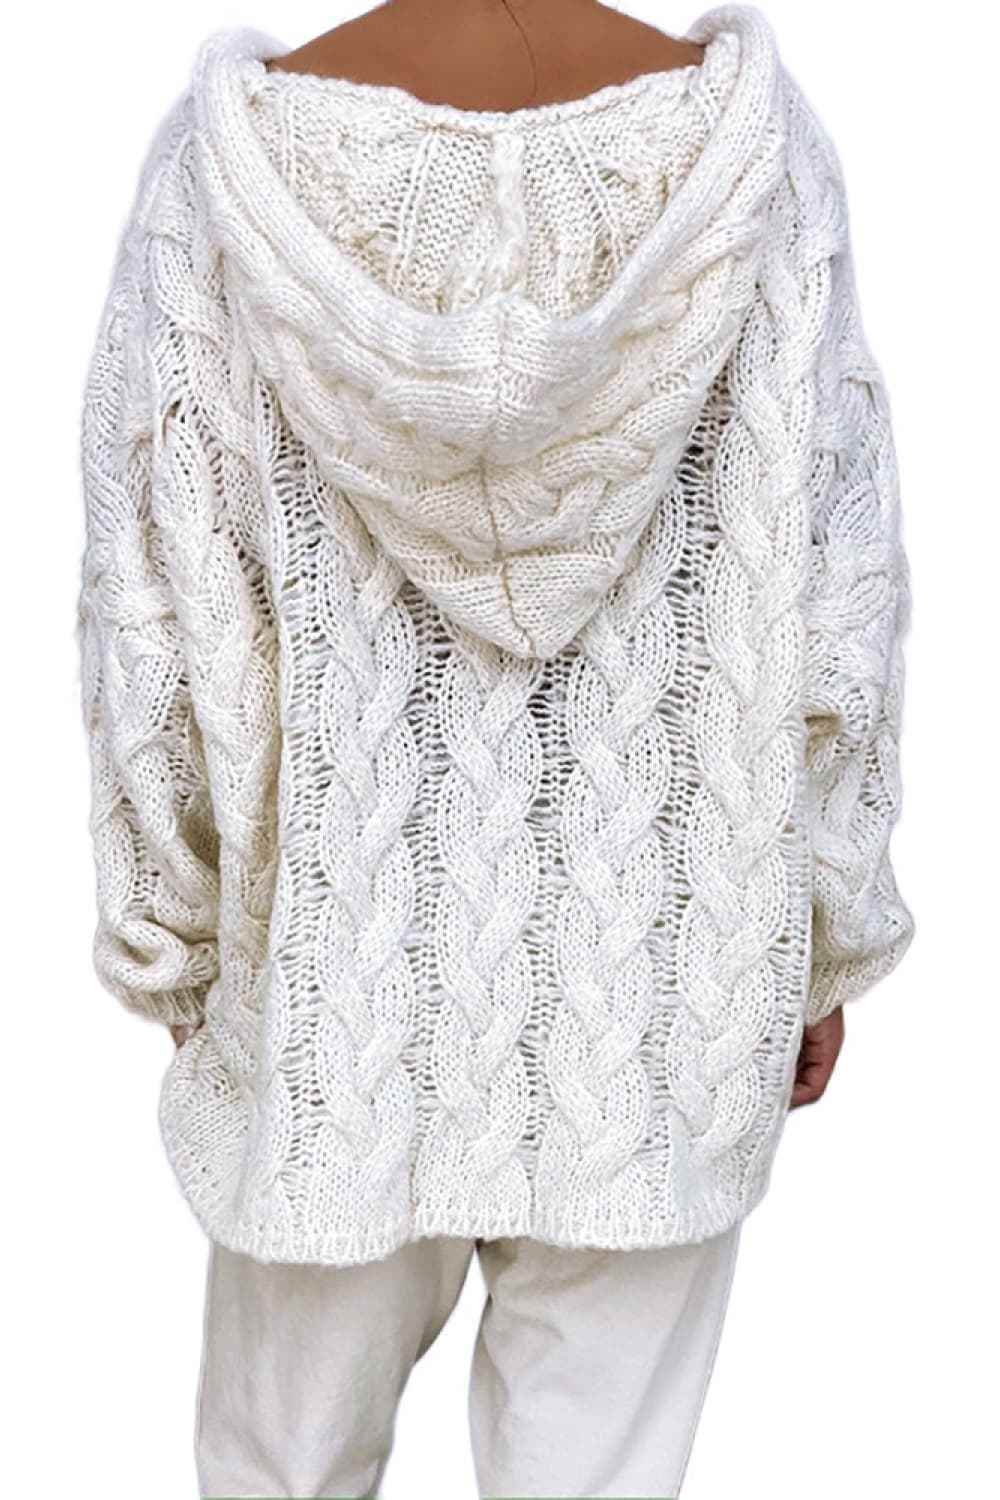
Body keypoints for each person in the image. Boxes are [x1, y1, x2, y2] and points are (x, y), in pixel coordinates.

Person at [75, 3, 914, 1495]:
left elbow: (151, 604)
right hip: (658, 986)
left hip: (329, 989)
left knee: (279, 1473)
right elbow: (836, 591)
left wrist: (180, 940)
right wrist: (820, 930)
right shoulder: (753, 164)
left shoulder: (229, 174)